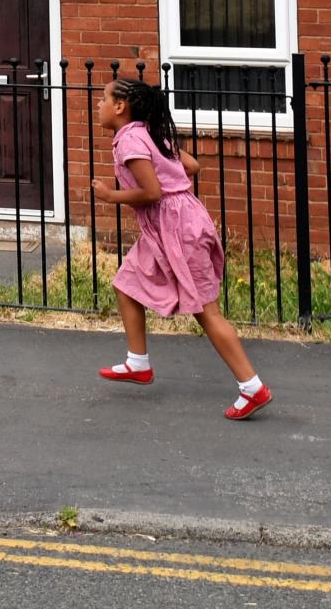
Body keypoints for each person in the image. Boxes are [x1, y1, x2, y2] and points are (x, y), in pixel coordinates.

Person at [95, 75, 270, 420]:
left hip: (178, 230)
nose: (98, 105)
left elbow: (151, 193)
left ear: (120, 107)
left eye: (103, 99)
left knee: (207, 312)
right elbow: (191, 166)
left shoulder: (131, 141)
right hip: (175, 225)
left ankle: (252, 387)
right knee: (126, 283)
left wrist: (110, 195)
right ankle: (138, 363)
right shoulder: (149, 133)